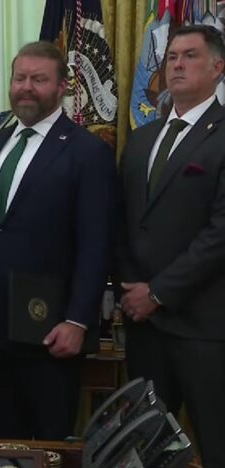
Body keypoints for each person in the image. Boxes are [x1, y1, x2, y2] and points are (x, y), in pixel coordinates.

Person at [0, 41, 115, 439]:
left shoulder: (88, 152)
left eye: (39, 79)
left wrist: (77, 320)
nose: (26, 87)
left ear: (62, 87)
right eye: (20, 78)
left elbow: (96, 244)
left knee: (48, 447)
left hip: (51, 332)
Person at [116, 25, 225, 466]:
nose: (177, 64)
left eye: (190, 56)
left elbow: (220, 234)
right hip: (144, 327)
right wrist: (130, 289)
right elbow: (124, 221)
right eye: (172, 57)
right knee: (144, 453)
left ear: (218, 68)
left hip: (204, 328)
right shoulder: (142, 140)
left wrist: (158, 292)